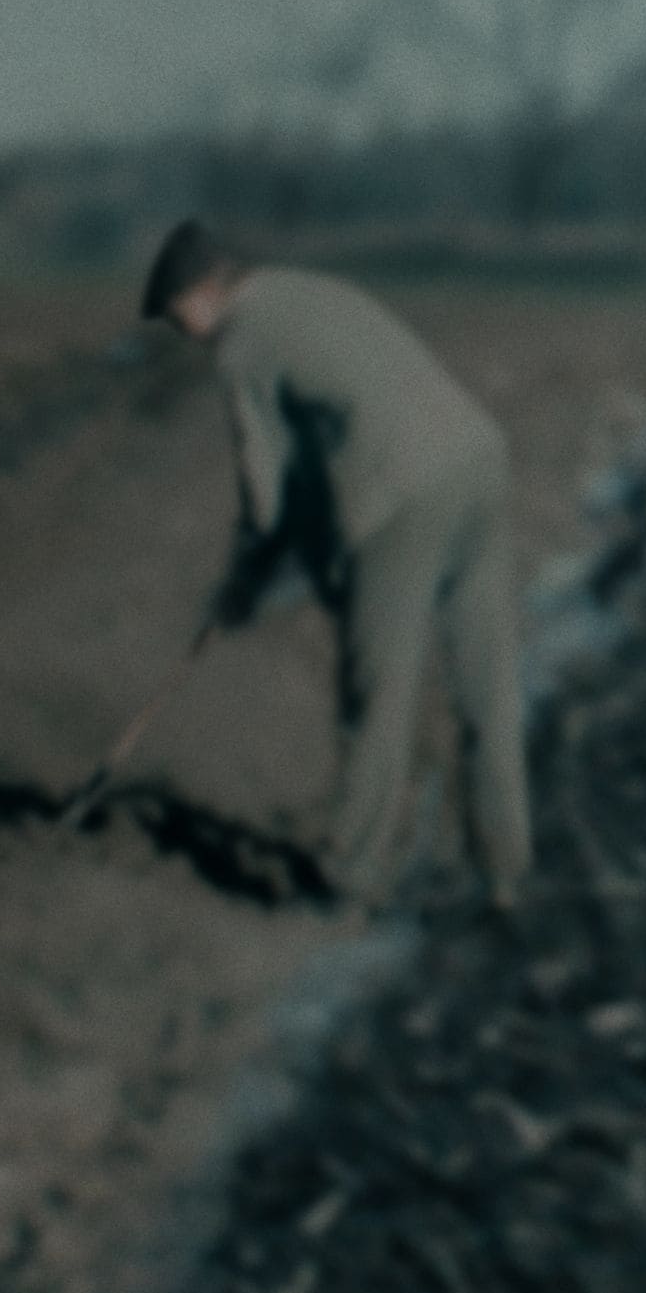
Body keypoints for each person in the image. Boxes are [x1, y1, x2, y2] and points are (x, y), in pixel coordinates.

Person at [141, 220, 530, 911]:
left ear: (201, 294)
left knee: (375, 697)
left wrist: (240, 586)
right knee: (487, 687)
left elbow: (265, 501)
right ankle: (505, 873)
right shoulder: (305, 288)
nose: (182, 333)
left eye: (176, 317)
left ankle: (350, 877)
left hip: (401, 502)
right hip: (479, 462)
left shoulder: (240, 345)